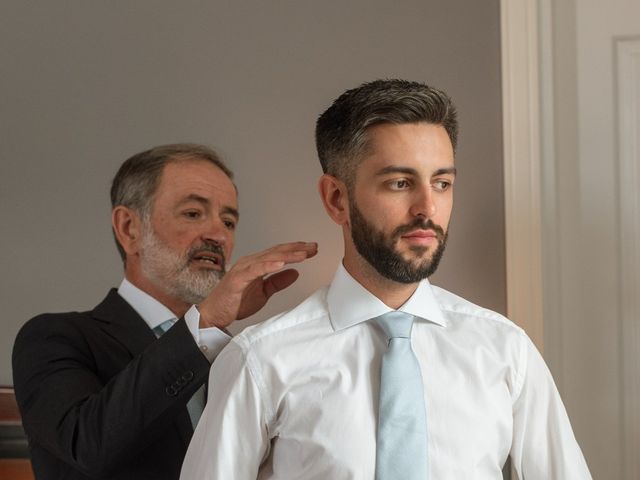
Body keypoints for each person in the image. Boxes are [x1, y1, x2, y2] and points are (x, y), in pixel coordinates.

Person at [179, 81, 592, 479]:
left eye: (442, 183)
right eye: (400, 183)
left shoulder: (506, 351)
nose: (427, 208)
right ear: (336, 199)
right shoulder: (261, 361)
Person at [12, 143, 317, 480]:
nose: (218, 235)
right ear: (129, 228)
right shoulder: (56, 338)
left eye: (229, 221)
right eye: (193, 213)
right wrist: (205, 323)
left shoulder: (242, 356)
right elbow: (88, 445)